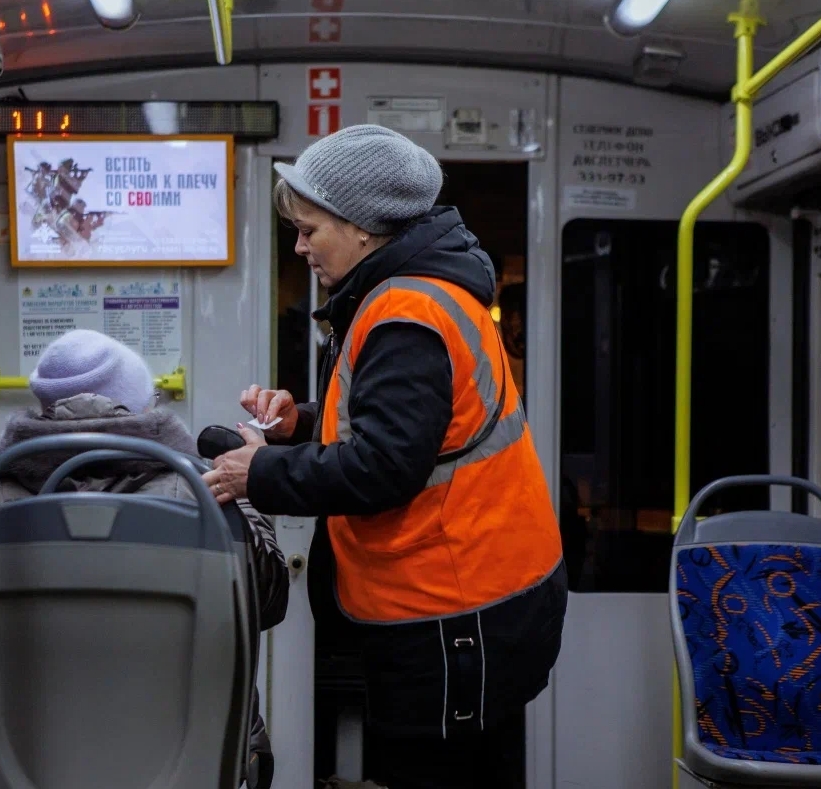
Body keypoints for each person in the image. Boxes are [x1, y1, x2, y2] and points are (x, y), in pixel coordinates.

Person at [201, 125, 567, 789]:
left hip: (452, 615)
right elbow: (416, 429)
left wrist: (258, 471)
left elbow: (386, 465)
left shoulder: (406, 311)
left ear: (365, 228)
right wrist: (299, 423)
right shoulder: (416, 294)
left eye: (311, 229)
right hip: (470, 605)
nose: (300, 246)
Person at [0, 329, 288, 789]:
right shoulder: (206, 493)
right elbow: (267, 601)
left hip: (28, 751)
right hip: (187, 750)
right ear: (138, 404)